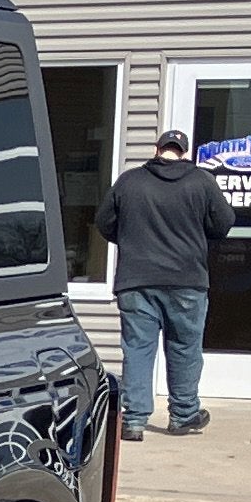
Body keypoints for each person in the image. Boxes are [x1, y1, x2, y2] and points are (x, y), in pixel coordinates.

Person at [101, 126, 233, 437]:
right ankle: (183, 415)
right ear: (184, 152)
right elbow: (224, 223)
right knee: (184, 347)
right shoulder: (201, 181)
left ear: (156, 149)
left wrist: (129, 240)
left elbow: (104, 222)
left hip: (136, 280)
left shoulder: (129, 181)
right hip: (187, 279)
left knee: (138, 350)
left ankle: (133, 420)